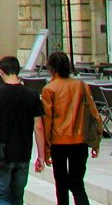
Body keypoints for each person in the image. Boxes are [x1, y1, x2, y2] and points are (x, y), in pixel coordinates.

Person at [0, 55, 45, 205]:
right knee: (17, 197)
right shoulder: (32, 95)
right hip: (23, 153)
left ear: (1, 72)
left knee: (2, 196)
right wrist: (41, 156)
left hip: (2, 154)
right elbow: (39, 127)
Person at [41, 51, 102, 205]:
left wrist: (46, 149)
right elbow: (94, 114)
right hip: (80, 139)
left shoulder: (49, 89)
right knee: (77, 183)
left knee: (61, 184)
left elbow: (47, 121)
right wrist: (96, 141)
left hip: (58, 141)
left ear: (51, 68)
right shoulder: (81, 86)